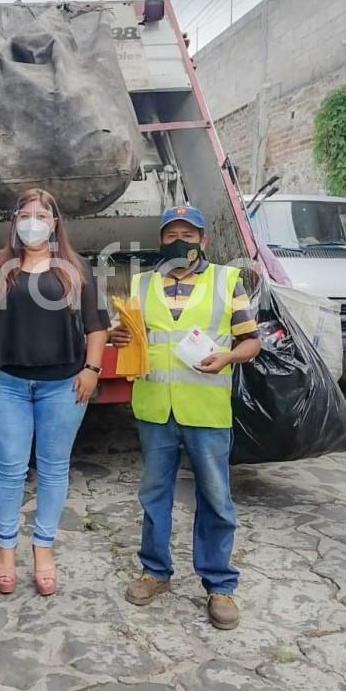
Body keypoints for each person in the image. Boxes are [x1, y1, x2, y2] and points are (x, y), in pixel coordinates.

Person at [110, 205, 261, 631]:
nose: (180, 241)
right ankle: (154, 572)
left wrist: (229, 355)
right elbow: (129, 337)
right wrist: (118, 335)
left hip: (206, 409)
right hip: (156, 407)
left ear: (203, 241)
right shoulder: (141, 284)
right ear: (161, 240)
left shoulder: (227, 281)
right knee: (154, 493)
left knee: (215, 496)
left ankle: (219, 584)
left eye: (189, 235)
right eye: (172, 234)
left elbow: (252, 342)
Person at [0, 188, 109, 597]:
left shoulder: (75, 268)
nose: (33, 220)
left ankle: (43, 547)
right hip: (7, 382)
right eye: (25, 213)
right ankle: (6, 550)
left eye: (41, 214)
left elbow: (97, 327)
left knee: (53, 468)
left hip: (63, 385)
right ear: (14, 220)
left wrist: (92, 371)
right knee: (9, 468)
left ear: (55, 222)